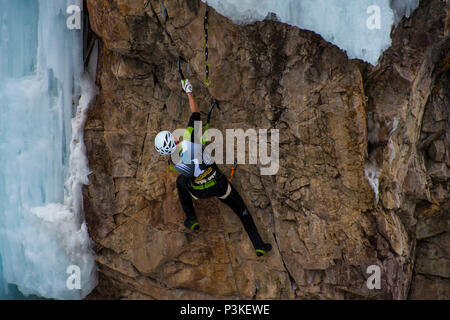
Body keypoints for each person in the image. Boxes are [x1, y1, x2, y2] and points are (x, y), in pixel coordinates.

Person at [154, 79, 272, 257]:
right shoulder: (188, 139)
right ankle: (258, 245)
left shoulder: (172, 162)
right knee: (241, 211)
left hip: (199, 191)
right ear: (174, 139)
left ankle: (192, 218)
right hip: (219, 186)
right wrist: (189, 92)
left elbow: (190, 165)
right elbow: (195, 114)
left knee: (181, 181)